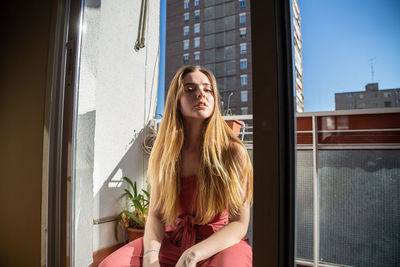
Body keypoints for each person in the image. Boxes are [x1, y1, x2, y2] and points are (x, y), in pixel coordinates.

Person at [99, 65, 253, 267]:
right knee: (110, 265)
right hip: (171, 241)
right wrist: (151, 258)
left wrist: (192, 254)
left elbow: (239, 223)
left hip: (218, 245)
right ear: (176, 101)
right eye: (190, 89)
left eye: (207, 89)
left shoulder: (232, 151)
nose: (201, 94)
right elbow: (156, 216)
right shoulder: (166, 152)